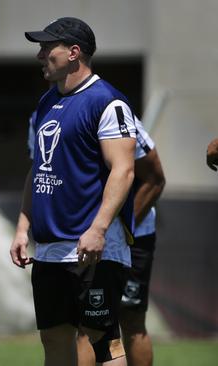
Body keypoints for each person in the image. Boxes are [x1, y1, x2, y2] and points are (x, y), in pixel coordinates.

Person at [10, 17, 137, 365]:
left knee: (103, 341)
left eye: (47, 47)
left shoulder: (107, 102)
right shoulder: (45, 103)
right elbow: (37, 170)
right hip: (50, 250)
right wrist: (23, 227)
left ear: (74, 53)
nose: (39, 55)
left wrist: (98, 229)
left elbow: (124, 171)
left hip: (94, 248)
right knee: (53, 338)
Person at [77, 117, 166, 366]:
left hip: (131, 236)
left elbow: (156, 179)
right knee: (93, 324)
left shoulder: (116, 113)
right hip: (88, 237)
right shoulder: (50, 109)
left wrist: (123, 228)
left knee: (130, 320)